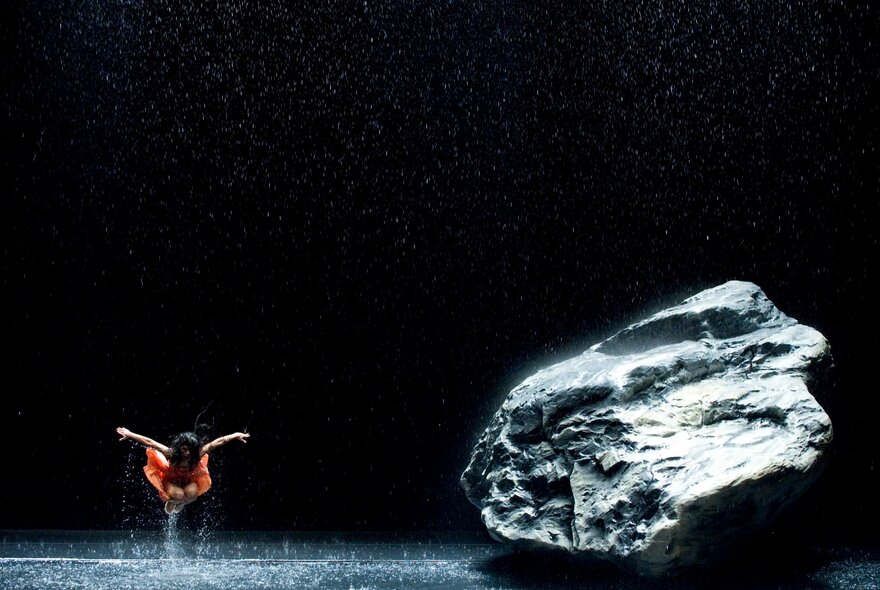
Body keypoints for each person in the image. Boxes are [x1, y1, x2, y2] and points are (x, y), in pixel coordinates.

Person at [116, 425, 250, 514]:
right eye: (184, 449)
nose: (187, 453)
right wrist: (130, 434)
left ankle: (180, 503)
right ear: (179, 447)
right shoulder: (170, 453)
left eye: (190, 450)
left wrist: (234, 435)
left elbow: (217, 442)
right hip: (170, 480)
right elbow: (150, 442)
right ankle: (171, 501)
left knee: (192, 495)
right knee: (179, 495)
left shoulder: (197, 454)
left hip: (189, 479)